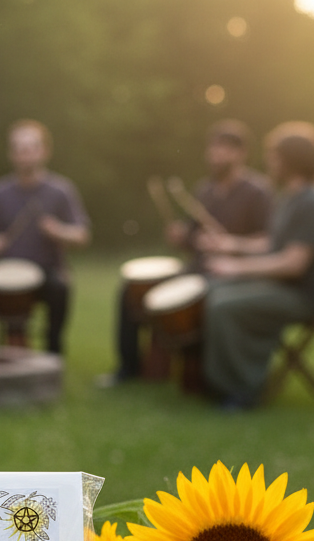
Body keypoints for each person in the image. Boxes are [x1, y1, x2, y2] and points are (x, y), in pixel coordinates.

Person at [103, 120, 274, 385]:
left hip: (234, 275)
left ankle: (206, 375)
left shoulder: (258, 191)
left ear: (241, 153)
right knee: (131, 289)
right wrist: (182, 237)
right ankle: (129, 367)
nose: (215, 155)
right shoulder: (204, 190)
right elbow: (192, 240)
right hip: (198, 268)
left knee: (194, 299)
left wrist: (230, 243)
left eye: (223, 149)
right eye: (212, 149)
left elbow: (269, 241)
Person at [200, 122, 314, 409]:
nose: (269, 163)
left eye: (274, 157)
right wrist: (231, 245)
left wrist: (237, 268)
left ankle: (242, 389)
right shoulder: (291, 198)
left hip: (301, 297)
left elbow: (293, 263)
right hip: (282, 288)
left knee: (223, 305)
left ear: (291, 161)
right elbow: (272, 245)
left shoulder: (313, 202)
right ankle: (209, 380)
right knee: (210, 289)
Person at [0, 120, 90, 354]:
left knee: (60, 287)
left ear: (44, 152)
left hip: (45, 270)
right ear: (11, 154)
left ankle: (53, 352)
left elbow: (82, 235)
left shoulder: (61, 190)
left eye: (30, 148)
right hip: (2, 268)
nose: (25, 155)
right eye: (19, 149)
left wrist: (58, 231)